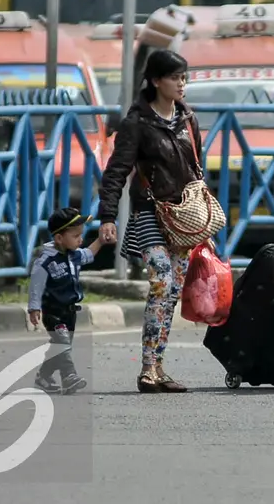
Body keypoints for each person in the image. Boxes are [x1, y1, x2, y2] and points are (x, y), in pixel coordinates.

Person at [97, 49, 201, 394]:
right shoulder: (137, 123)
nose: (181, 84)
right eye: (175, 77)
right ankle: (146, 369)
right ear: (156, 81)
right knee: (161, 281)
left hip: (183, 219)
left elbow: (197, 171)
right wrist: (107, 216)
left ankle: (158, 366)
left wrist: (203, 220)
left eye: (184, 77)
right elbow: (116, 172)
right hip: (149, 214)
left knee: (171, 292)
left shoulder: (188, 119)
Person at [28, 207, 109, 395]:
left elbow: (89, 254)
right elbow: (36, 285)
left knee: (60, 347)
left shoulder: (74, 255)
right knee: (62, 342)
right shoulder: (45, 261)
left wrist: (100, 241)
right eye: (75, 236)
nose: (80, 240)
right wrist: (34, 307)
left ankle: (43, 377)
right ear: (59, 238)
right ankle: (69, 377)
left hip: (70, 311)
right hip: (53, 310)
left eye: (81, 235)